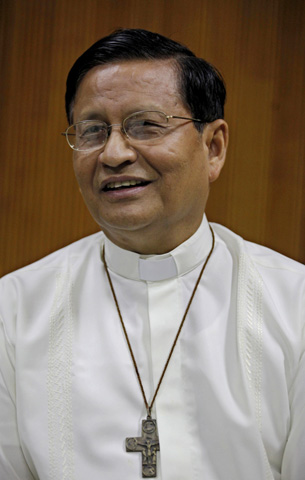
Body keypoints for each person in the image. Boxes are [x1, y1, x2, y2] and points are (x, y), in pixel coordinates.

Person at [0, 28, 304, 480]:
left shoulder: (295, 303)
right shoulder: (13, 310)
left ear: (213, 147)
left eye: (147, 125)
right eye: (92, 131)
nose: (115, 153)